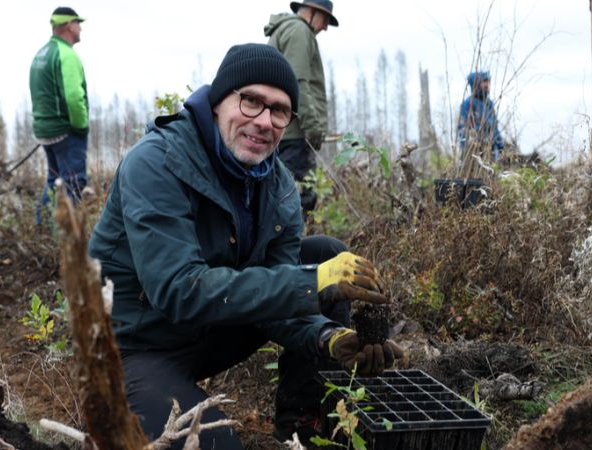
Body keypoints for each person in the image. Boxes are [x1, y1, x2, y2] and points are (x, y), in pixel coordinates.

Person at [88, 43, 403, 448]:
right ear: (219, 101)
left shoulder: (278, 186)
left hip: (205, 333)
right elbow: (178, 290)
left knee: (322, 253)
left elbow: (273, 296)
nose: (264, 121)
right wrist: (313, 283)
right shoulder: (157, 163)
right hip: (130, 348)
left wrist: (328, 337)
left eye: (279, 110)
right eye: (251, 101)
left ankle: (302, 428)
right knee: (215, 444)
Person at [265, 0, 338, 215]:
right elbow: (298, 82)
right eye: (325, 20)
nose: (325, 27)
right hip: (294, 134)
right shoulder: (299, 31)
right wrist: (313, 127)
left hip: (284, 132)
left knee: (282, 195)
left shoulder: (286, 30)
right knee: (301, 200)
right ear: (313, 13)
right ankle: (298, 247)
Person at [29, 6, 90, 224]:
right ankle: (65, 234)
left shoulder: (42, 53)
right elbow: (74, 97)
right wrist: (81, 125)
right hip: (67, 131)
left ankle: (43, 228)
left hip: (46, 131)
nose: (80, 28)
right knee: (74, 182)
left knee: (54, 180)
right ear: (67, 25)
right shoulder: (67, 55)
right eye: (77, 23)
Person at [457, 71, 505, 162]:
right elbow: (463, 129)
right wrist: (466, 151)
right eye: (484, 81)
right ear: (476, 84)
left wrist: (500, 146)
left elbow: (494, 128)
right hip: (475, 153)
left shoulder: (489, 104)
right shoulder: (468, 104)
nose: (487, 85)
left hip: (491, 152)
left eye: (488, 81)